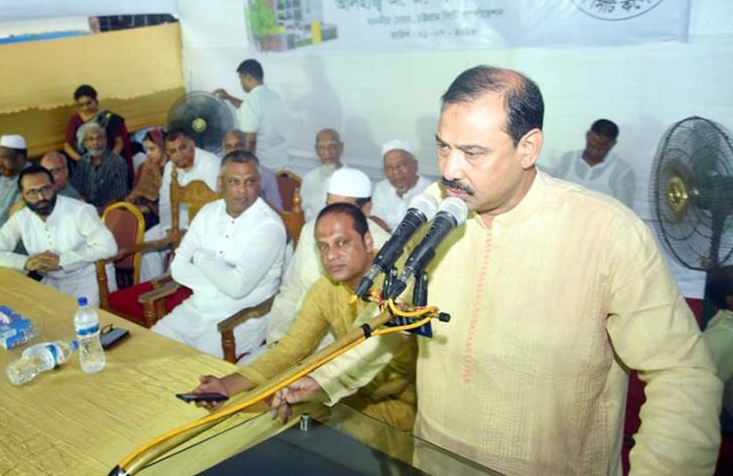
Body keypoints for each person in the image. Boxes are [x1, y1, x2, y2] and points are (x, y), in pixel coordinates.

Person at [273, 66, 721, 475]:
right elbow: (393, 323)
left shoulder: (609, 234)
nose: (450, 169)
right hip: (434, 461)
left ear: (528, 147)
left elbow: (682, 376)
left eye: (472, 152)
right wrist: (324, 378)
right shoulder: (436, 215)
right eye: (443, 147)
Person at [193, 203, 417, 430]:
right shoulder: (326, 289)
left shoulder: (396, 281)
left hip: (400, 404)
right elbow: (291, 349)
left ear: (368, 241)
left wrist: (320, 383)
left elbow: (370, 346)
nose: (331, 255)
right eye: (323, 246)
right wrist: (226, 385)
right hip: (342, 395)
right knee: (261, 424)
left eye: (342, 243)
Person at [151, 150, 286, 359]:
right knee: (151, 348)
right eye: (234, 182)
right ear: (220, 183)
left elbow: (237, 288)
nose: (242, 191)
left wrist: (200, 257)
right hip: (198, 307)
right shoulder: (208, 212)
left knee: (191, 367)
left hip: (239, 318)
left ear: (259, 184)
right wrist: (218, 283)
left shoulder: (269, 227)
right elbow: (178, 268)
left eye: (250, 182)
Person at [265, 167, 390, 347]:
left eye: (344, 208)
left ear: (367, 208)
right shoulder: (311, 231)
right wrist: (278, 338)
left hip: (337, 353)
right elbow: (290, 291)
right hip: (291, 339)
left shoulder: (385, 248)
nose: (333, 216)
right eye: (329, 205)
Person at [0, 165, 117, 306]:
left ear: (54, 187)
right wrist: (27, 262)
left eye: (45, 189)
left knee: (78, 322)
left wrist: (61, 261)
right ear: (22, 194)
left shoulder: (80, 211)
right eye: (32, 192)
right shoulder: (21, 218)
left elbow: (109, 247)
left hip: (89, 281)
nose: (41, 198)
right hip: (51, 283)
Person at [138, 130, 222, 283]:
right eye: (172, 151)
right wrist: (169, 228)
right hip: (175, 222)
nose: (178, 154)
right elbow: (164, 200)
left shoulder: (210, 164)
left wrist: (186, 232)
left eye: (183, 148)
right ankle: (151, 286)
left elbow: (212, 208)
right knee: (148, 241)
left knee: (181, 253)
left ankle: (171, 286)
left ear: (192, 145)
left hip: (202, 227)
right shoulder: (171, 166)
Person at [214, 59, 290, 170]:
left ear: (248, 77)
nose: (241, 83)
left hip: (263, 166)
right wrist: (229, 97)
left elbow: (250, 141)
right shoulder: (273, 96)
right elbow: (251, 109)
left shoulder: (251, 102)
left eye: (241, 79)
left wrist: (247, 168)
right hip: (281, 162)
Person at [552, 118, 636, 208]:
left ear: (612, 144)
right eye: (592, 145)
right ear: (588, 136)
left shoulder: (621, 171)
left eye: (602, 148)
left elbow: (624, 209)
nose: (595, 151)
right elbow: (552, 192)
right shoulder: (567, 159)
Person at [63, 84, 133, 182]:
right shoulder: (75, 119)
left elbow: (119, 142)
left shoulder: (107, 117)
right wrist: (83, 161)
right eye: (81, 105)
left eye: (89, 103)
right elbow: (67, 146)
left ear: (96, 101)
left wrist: (108, 161)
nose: (85, 108)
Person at [370, 140, 430, 231]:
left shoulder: (430, 190)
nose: (396, 172)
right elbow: (376, 222)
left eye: (401, 165)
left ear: (415, 165)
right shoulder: (382, 188)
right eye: (389, 168)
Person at [71, 123, 129, 212]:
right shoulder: (83, 162)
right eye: (91, 139)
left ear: (105, 140)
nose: (96, 142)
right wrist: (87, 209)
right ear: (85, 143)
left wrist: (99, 212)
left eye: (100, 138)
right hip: (87, 210)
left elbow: (119, 197)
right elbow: (77, 190)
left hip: (111, 211)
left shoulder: (117, 163)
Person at [222, 129, 283, 211]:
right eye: (229, 147)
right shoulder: (221, 173)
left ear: (247, 147)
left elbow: (278, 211)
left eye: (238, 145)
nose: (233, 151)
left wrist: (256, 197)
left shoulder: (267, 175)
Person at [126, 128, 168, 229]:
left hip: (161, 215)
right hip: (140, 210)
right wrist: (130, 202)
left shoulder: (172, 169)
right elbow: (136, 191)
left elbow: (170, 199)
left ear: (163, 147)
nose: (148, 153)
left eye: (152, 149)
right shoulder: (143, 167)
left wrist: (148, 208)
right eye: (146, 149)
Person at [300, 128, 344, 218]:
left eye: (331, 146)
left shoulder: (351, 179)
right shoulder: (309, 178)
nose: (327, 152)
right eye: (321, 147)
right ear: (316, 150)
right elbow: (304, 212)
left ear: (341, 147)